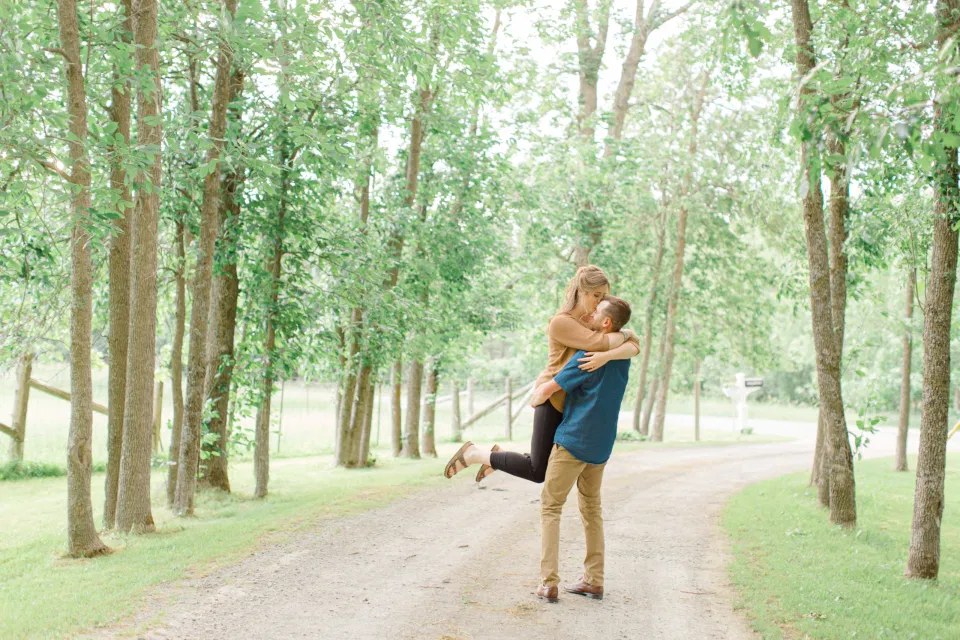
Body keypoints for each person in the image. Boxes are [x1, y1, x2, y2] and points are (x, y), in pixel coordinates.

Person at [443, 266, 640, 483]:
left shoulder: (593, 320)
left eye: (603, 296)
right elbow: (601, 343)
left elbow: (634, 345)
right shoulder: (562, 322)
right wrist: (625, 334)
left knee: (549, 462)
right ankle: (475, 454)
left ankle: (495, 456)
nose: (599, 301)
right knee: (539, 472)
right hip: (551, 396)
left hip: (571, 401)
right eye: (596, 295)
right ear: (581, 291)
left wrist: (614, 348)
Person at [530, 295, 634, 603]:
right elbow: (633, 343)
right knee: (592, 510)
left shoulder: (586, 356)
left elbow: (545, 393)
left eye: (596, 312)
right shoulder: (622, 358)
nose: (589, 315)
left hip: (573, 442)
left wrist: (538, 394)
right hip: (601, 446)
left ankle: (548, 583)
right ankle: (594, 580)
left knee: (551, 507)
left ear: (606, 323)